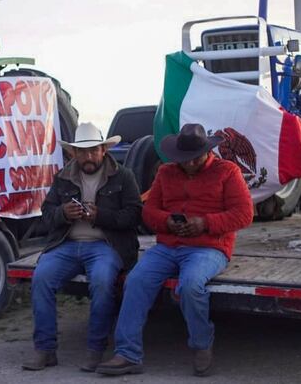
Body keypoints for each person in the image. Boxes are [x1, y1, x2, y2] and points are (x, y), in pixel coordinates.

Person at [96, 123, 253, 377]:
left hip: (209, 246)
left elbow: (244, 214)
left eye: (194, 158)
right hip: (168, 245)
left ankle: (202, 344)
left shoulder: (228, 172)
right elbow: (149, 211)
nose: (189, 164)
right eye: (184, 159)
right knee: (135, 281)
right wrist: (168, 221)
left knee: (191, 285)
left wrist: (205, 223)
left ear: (207, 151)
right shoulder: (166, 172)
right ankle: (127, 353)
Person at [22, 122, 142, 372]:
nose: (88, 156)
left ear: (103, 151)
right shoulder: (63, 177)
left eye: (93, 151)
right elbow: (46, 214)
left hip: (105, 245)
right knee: (41, 277)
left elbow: (134, 217)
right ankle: (45, 349)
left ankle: (95, 349)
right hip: (67, 244)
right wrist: (63, 214)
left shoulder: (123, 176)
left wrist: (100, 216)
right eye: (82, 152)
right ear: (73, 153)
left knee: (101, 280)